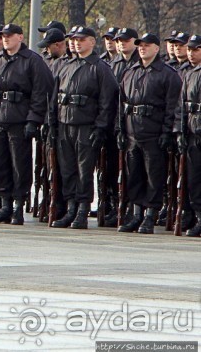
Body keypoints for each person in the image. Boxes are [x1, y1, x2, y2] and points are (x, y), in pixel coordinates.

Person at [0, 24, 54, 225]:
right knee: (0, 164)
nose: (5, 39)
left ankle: (19, 206)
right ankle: (5, 204)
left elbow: (41, 92)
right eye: (3, 36)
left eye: (9, 36)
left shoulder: (32, 61)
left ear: (20, 37)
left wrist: (33, 120)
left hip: (19, 120)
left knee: (19, 165)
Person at [48, 27, 118, 229]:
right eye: (74, 39)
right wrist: (52, 124)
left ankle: (82, 210)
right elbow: (55, 98)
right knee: (67, 169)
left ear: (92, 42)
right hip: (65, 124)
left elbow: (107, 101)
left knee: (84, 171)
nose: (77, 43)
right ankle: (70, 207)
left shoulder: (100, 68)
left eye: (82, 39)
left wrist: (101, 127)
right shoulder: (66, 65)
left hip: (86, 126)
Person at [117, 33, 181, 234]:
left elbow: (172, 107)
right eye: (140, 45)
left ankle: (150, 215)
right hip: (132, 132)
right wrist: (119, 129)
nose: (142, 48)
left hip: (153, 132)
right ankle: (136, 213)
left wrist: (167, 132)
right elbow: (121, 104)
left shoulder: (167, 74)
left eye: (147, 45)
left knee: (154, 176)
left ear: (156, 48)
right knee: (133, 174)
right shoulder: (131, 72)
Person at [176, 34, 201, 237]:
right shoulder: (190, 74)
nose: (192, 54)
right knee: (194, 179)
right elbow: (181, 108)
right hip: (193, 133)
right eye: (190, 50)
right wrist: (180, 132)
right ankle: (197, 216)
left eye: (196, 50)